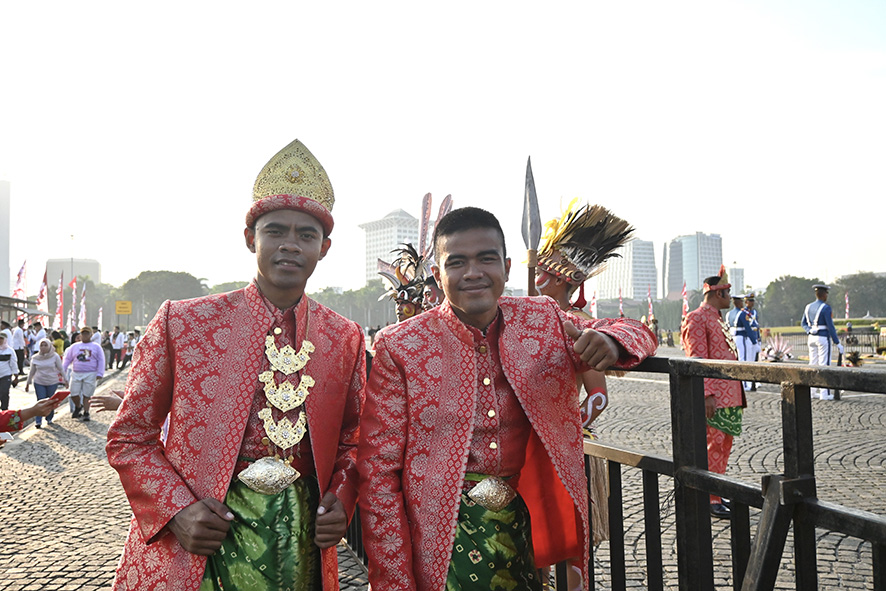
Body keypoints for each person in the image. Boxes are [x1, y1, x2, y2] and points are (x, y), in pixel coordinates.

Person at [106, 138, 365, 591]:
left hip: (299, 543)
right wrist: (177, 510)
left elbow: (356, 437)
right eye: (275, 231)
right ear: (251, 239)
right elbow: (129, 436)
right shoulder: (183, 322)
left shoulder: (343, 336)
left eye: (306, 235)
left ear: (324, 247)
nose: (290, 245)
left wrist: (342, 498)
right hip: (201, 538)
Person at [358, 206, 657, 591]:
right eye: (457, 262)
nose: (473, 273)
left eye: (486, 259)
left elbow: (635, 329)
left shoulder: (544, 319)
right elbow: (378, 471)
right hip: (434, 538)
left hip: (522, 525)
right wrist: (394, 582)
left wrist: (612, 341)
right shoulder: (401, 345)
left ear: (508, 266)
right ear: (437, 275)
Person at [534, 200, 634, 560]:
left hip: (564, 446)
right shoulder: (520, 319)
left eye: (540, 273)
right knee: (532, 546)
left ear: (561, 278)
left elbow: (599, 395)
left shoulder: (580, 323)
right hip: (525, 448)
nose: (533, 280)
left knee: (573, 548)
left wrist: (566, 429)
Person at [680, 267, 745, 519]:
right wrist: (706, 393)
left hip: (728, 395)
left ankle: (715, 490)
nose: (730, 297)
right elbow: (696, 359)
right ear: (718, 293)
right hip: (714, 397)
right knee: (712, 445)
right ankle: (710, 496)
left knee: (723, 445)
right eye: (728, 293)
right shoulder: (698, 317)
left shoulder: (717, 318)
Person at [801, 284, 843, 400]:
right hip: (822, 338)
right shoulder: (825, 308)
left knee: (812, 364)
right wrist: (837, 342)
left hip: (811, 338)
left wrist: (809, 330)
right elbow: (830, 326)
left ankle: (812, 391)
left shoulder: (808, 307)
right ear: (824, 295)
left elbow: (803, 323)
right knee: (824, 364)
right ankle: (825, 393)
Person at [62, 326, 105, 422]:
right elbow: (68, 359)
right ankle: (78, 406)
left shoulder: (96, 347)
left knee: (87, 394)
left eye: (87, 333)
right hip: (76, 372)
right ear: (80, 335)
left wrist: (100, 373)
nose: (85, 335)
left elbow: (101, 360)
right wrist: (62, 370)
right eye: (83, 334)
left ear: (91, 335)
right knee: (73, 393)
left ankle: (86, 412)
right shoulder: (74, 346)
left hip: (91, 373)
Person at [25, 338, 65, 428]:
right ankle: (38, 421)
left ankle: (49, 418)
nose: (43, 347)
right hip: (39, 381)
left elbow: (60, 369)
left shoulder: (55, 356)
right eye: (41, 345)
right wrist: (28, 383)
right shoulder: (35, 358)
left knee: (50, 401)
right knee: (41, 400)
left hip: (52, 381)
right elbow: (32, 371)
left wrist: (65, 380)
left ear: (49, 346)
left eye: (45, 345)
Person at [726, 294, 755, 391]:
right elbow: (748, 328)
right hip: (741, 337)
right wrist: (754, 341)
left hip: (732, 338)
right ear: (738, 302)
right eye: (741, 301)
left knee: (736, 358)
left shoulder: (728, 314)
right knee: (744, 359)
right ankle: (745, 384)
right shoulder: (742, 313)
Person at [744, 294, 761, 390]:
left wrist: (758, 338)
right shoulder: (745, 313)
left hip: (755, 336)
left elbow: (756, 326)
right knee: (749, 360)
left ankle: (755, 381)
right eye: (750, 301)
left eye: (752, 301)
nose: (752, 303)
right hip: (749, 339)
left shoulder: (754, 312)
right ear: (746, 302)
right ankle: (750, 382)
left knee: (755, 360)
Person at [0, 333, 20, 410]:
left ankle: (4, 410)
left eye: (1, 339)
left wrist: (16, 375)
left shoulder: (10, 351)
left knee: (4, 393)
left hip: (5, 375)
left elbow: (13, 363)